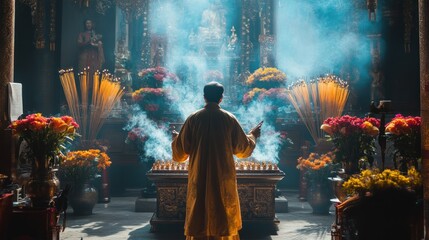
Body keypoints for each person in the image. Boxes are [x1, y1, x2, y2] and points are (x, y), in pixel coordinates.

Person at [172, 81, 262, 240]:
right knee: (223, 212)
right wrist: (253, 135)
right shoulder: (229, 118)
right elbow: (242, 149)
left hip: (199, 175)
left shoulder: (194, 118)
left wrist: (175, 138)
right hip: (222, 177)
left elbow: (180, 152)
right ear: (221, 98)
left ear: (204, 97)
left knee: (199, 209)